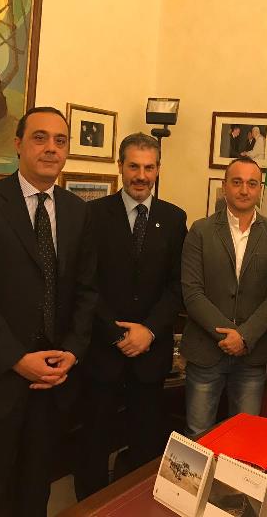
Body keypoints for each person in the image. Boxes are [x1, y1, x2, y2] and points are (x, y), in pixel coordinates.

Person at [0, 106, 97, 517]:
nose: (51, 148)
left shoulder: (77, 210)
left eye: (60, 141)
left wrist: (73, 351)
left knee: (33, 496)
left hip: (50, 387)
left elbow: (86, 291)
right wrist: (16, 359)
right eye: (40, 137)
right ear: (18, 144)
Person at [75, 133, 187, 499]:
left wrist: (149, 331)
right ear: (120, 166)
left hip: (150, 354)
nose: (141, 175)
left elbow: (177, 285)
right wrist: (118, 334)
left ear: (158, 169)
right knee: (93, 443)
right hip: (102, 352)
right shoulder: (92, 214)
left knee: (146, 443)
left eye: (148, 167)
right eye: (134, 166)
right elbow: (85, 283)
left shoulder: (174, 218)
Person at [180, 156, 267, 437]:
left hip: (251, 356)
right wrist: (228, 336)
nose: (244, 190)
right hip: (205, 352)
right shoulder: (200, 231)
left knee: (245, 436)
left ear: (260, 189)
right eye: (237, 182)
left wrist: (244, 337)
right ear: (225, 186)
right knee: (198, 434)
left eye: (252, 184)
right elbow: (192, 292)